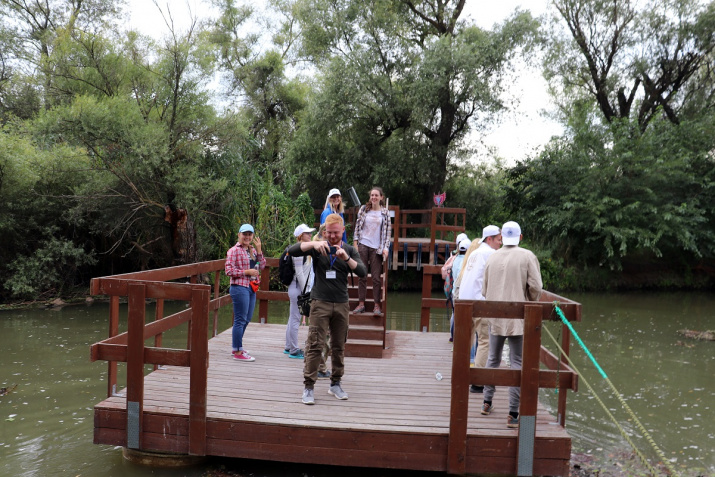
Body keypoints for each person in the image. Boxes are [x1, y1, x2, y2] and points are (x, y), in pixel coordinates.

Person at [288, 213, 366, 405]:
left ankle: (336, 384)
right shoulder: (319, 247)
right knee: (315, 344)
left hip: (341, 303)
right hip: (319, 302)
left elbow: (362, 272)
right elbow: (292, 250)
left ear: (343, 231)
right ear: (324, 232)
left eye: (335, 233)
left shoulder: (349, 249)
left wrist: (346, 258)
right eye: (329, 233)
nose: (332, 236)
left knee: (339, 346)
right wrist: (314, 244)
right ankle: (308, 386)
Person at [480, 221, 542, 429]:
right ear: (520, 237)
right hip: (518, 318)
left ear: (502, 237)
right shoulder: (527, 256)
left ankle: (487, 402)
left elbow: (484, 289)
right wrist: (531, 303)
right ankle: (513, 413)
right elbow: (536, 287)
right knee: (517, 361)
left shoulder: (492, 256)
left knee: (493, 358)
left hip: (495, 316)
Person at [456, 225, 502, 393]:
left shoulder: (474, 253)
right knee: (484, 341)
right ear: (489, 239)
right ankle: (477, 382)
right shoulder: (491, 254)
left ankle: (460, 375)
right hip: (480, 303)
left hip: (464, 302)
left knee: (466, 340)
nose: (500, 244)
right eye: (498, 240)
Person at [225, 224, 266, 362]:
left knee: (247, 319)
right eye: (245, 234)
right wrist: (245, 272)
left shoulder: (253, 250)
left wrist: (259, 251)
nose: (247, 237)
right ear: (239, 235)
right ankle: (237, 351)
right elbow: (228, 271)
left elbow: (262, 266)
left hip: (251, 287)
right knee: (240, 320)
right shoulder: (233, 251)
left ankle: (237, 346)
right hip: (239, 287)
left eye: (250, 234)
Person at [352, 186, 392, 316]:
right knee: (362, 275)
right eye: (372, 195)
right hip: (363, 244)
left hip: (377, 248)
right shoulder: (364, 209)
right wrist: (355, 244)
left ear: (381, 197)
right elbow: (357, 227)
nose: (374, 197)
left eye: (376, 195)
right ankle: (361, 304)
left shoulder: (385, 213)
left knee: (376, 278)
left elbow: (387, 234)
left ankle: (376, 305)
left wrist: (386, 248)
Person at [284, 223, 315, 359]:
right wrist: (305, 293)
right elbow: (300, 274)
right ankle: (294, 350)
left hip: (297, 287)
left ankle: (288, 346)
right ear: (301, 236)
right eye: (308, 233)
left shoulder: (304, 250)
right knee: (296, 319)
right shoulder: (298, 252)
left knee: (292, 318)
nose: (310, 235)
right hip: (297, 288)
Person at [442, 233, 470, 341]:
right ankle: (460, 338)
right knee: (462, 316)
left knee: (455, 314)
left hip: (454, 291)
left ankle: (453, 337)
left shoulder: (454, 259)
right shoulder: (467, 261)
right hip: (463, 291)